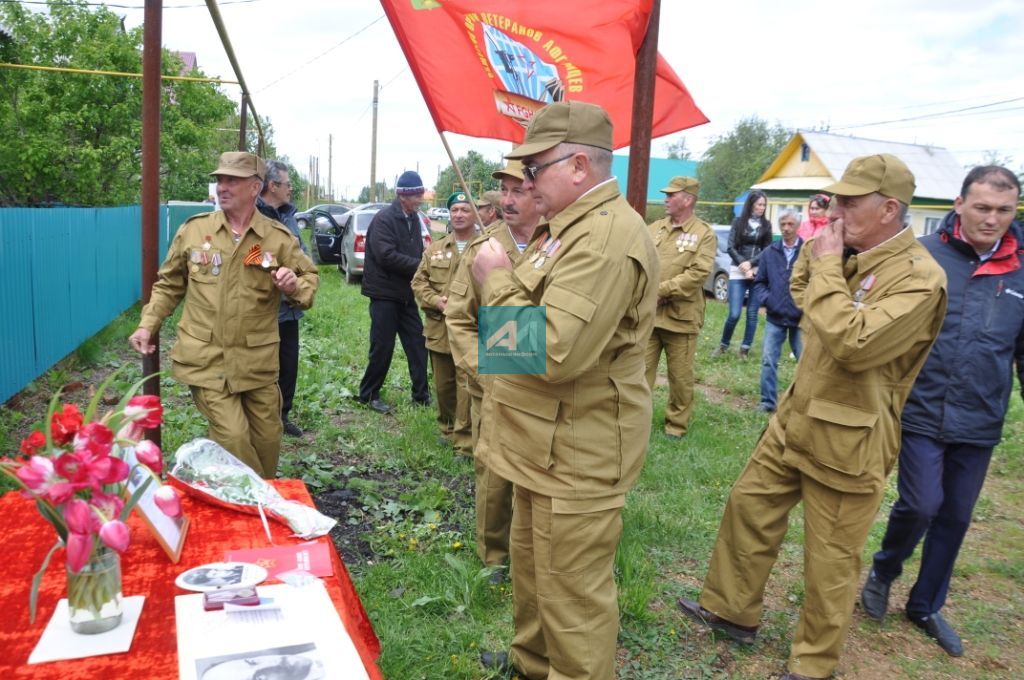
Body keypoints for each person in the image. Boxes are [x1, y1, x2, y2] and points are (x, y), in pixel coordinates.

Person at [678, 153, 947, 680]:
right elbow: (804, 299)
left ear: (889, 209)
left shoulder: (919, 277)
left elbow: (852, 341)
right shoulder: (847, 251)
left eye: (850, 201)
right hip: (796, 415)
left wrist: (825, 263)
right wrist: (822, 255)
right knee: (749, 508)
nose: (836, 209)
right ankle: (733, 610)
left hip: (850, 437)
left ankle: (812, 664)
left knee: (830, 558)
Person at [471, 101, 658, 680]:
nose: (526, 183)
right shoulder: (568, 230)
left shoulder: (603, 239)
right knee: (534, 577)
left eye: (535, 169)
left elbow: (551, 351)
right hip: (544, 443)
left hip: (579, 451)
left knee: (572, 599)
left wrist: (494, 280)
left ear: (578, 166)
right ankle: (532, 666)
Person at [860, 166, 1024, 657]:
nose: (992, 219)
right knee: (922, 503)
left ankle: (925, 605)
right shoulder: (922, 256)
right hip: (921, 408)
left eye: (1003, 210)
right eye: (982, 207)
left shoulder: (1020, 269)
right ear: (959, 204)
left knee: (955, 515)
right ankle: (885, 569)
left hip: (981, 415)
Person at [129, 152, 319, 478]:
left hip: (256, 361)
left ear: (255, 187)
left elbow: (309, 280)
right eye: (219, 180)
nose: (222, 187)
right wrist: (148, 324)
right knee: (232, 437)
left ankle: (253, 503)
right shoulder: (194, 232)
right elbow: (169, 284)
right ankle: (256, 503)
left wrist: (292, 285)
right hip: (206, 359)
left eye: (232, 180)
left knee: (268, 439)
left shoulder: (277, 238)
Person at [446, 160, 541, 572]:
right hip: (496, 384)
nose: (506, 200)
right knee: (494, 477)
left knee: (539, 479)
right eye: (503, 191)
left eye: (517, 191)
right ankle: (494, 558)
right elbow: (459, 318)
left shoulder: (561, 245)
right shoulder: (483, 249)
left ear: (540, 192)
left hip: (543, 385)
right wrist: (480, 368)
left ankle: (533, 557)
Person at [644, 176, 717, 439]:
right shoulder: (654, 229)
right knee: (640, 372)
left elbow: (698, 273)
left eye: (671, 195)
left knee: (680, 378)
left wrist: (661, 292)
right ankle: (635, 420)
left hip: (681, 318)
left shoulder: (704, 234)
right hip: (650, 317)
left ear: (687, 199)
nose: (665, 199)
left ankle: (676, 426)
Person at [356, 170, 431, 414]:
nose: (421, 199)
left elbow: (416, 252)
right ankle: (368, 394)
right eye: (417, 195)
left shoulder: (413, 219)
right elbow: (386, 256)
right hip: (385, 295)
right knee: (382, 347)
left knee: (418, 344)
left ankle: (421, 396)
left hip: (406, 295)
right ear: (403, 196)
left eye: (421, 194)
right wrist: (421, 265)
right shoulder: (384, 219)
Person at [411, 191, 477, 453]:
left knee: (468, 385)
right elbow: (418, 281)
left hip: (473, 330)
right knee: (444, 384)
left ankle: (466, 441)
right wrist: (436, 301)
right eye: (455, 210)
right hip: (440, 329)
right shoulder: (436, 249)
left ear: (474, 214)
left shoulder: (486, 247)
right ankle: (447, 429)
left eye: (465, 210)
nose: (459, 215)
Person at [256, 159, 307, 437]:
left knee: (289, 365)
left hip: (289, 309)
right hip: (261, 311)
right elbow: (250, 257)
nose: (291, 189)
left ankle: (282, 415)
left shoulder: (289, 216)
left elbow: (303, 254)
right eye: (288, 184)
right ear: (272, 186)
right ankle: (262, 418)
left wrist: (297, 278)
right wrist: (276, 271)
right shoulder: (252, 215)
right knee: (263, 366)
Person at [752, 208, 804, 413]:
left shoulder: (808, 252)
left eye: (790, 224)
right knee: (768, 359)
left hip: (801, 317)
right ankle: (767, 402)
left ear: (798, 226)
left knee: (805, 362)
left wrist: (806, 304)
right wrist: (769, 300)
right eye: (782, 224)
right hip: (775, 315)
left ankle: (801, 403)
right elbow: (759, 283)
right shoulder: (769, 252)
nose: (786, 228)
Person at [712, 190, 773, 359]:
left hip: (757, 272)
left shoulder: (766, 226)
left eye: (764, 205)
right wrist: (743, 265)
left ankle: (744, 350)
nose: (762, 208)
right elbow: (730, 247)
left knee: (752, 313)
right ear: (751, 204)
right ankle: (723, 345)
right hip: (737, 271)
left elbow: (767, 249)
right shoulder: (738, 222)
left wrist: (751, 264)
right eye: (759, 204)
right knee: (734, 313)